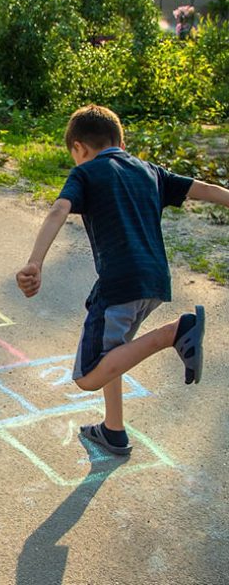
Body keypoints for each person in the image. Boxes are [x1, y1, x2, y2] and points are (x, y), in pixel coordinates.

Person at [16, 104, 229, 455]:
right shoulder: (149, 170)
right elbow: (205, 190)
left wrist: (35, 263)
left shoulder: (86, 173)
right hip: (155, 279)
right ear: (121, 141)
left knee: (88, 375)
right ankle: (113, 429)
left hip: (120, 283)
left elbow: (58, 209)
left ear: (79, 149)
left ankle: (174, 332)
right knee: (115, 348)